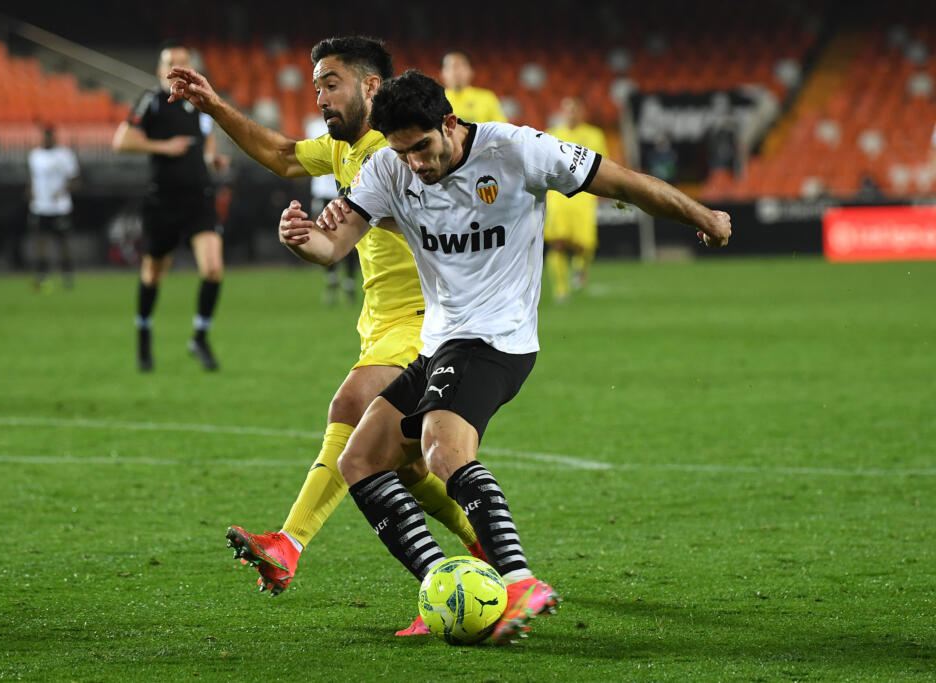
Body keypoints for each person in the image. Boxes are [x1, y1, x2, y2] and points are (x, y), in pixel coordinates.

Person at [280, 70, 731, 643]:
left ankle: (519, 582)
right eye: (402, 150)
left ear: (450, 123)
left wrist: (704, 217)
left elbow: (624, 183)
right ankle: (447, 586)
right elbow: (332, 245)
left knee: (443, 450)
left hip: (498, 339)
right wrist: (300, 238)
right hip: (441, 342)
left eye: (422, 146)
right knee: (360, 459)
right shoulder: (387, 168)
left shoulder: (517, 149)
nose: (415, 162)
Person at [166, 37, 483, 634]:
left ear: (369, 87)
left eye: (330, 84)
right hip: (380, 323)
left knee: (352, 406)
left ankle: (289, 545)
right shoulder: (342, 148)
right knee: (407, 470)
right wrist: (216, 107)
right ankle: (480, 555)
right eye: (315, 87)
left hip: (427, 319)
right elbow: (285, 155)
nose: (320, 98)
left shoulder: (397, 149)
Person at [111, 42, 229, 372]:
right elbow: (121, 141)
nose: (177, 67)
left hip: (199, 198)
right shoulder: (152, 101)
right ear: (160, 70)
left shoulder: (200, 103)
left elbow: (205, 142)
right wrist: (164, 146)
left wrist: (212, 159)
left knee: (213, 269)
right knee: (152, 274)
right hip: (163, 200)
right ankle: (144, 336)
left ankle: (200, 337)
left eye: (183, 62)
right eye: (171, 62)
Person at [544, 97, 609, 302]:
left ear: (582, 113)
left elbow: (604, 165)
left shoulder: (594, 134)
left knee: (583, 245)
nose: (571, 113)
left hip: (584, 198)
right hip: (558, 199)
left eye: (575, 110)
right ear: (562, 113)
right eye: (567, 110)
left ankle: (579, 268)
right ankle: (561, 290)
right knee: (558, 243)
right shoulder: (552, 134)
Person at [305, 116, 358, 306]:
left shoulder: (350, 127)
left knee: (351, 238)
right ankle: (332, 279)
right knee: (325, 236)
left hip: (344, 192)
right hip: (323, 192)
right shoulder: (314, 127)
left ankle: (349, 281)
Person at [27, 125, 79, 290]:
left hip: (59, 207)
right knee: (40, 241)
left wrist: (63, 192)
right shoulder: (34, 155)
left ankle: (67, 274)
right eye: (45, 136)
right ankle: (42, 274)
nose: (47, 139)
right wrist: (31, 191)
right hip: (40, 206)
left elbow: (74, 178)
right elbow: (33, 178)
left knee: (62, 242)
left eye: (49, 136)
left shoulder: (64, 155)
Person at [440, 51, 506, 123]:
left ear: (470, 71)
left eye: (461, 66)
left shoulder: (487, 98)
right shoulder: (434, 101)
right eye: (451, 67)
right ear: (442, 73)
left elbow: (501, 130)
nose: (456, 72)